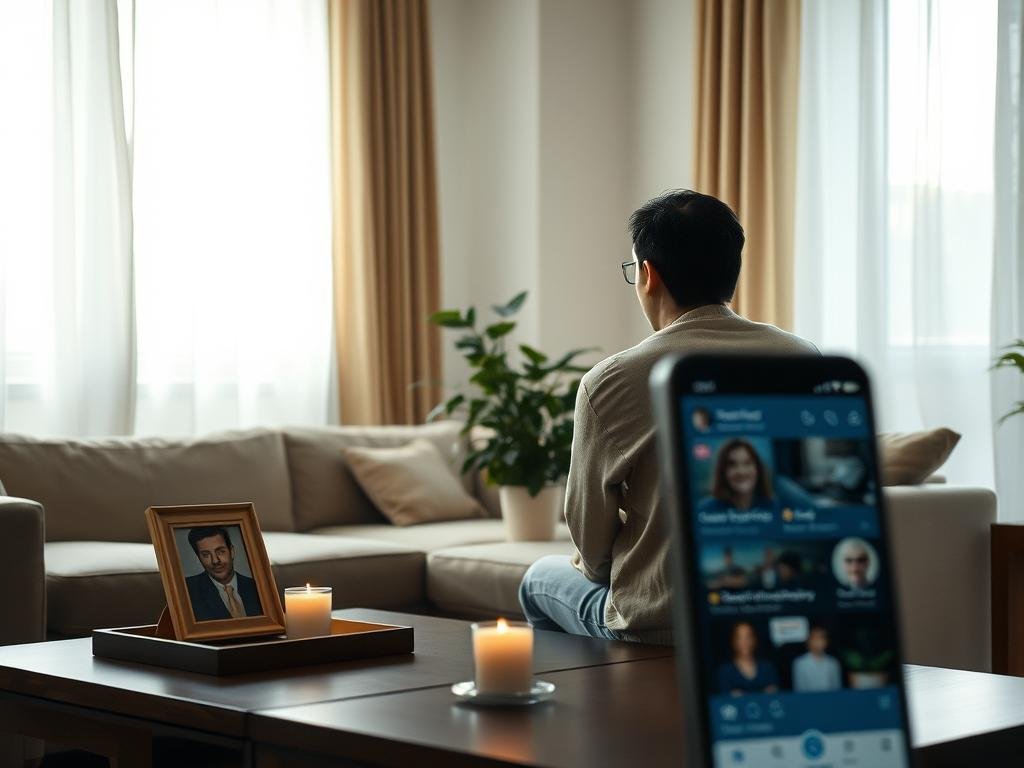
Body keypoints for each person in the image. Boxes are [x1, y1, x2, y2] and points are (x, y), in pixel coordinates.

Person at [518, 190, 818, 643]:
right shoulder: (805, 359)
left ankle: (602, 703)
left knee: (538, 578)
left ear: (647, 273)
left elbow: (591, 547)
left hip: (661, 625)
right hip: (780, 619)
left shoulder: (614, 380)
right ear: (731, 271)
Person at [184, 526, 263, 621]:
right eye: (206, 555)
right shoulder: (186, 591)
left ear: (232, 551)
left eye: (220, 552)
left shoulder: (258, 587)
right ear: (199, 558)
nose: (215, 561)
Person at [697, 439, 775, 513]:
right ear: (723, 472)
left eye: (747, 463)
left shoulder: (774, 508)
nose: (741, 471)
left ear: (758, 468)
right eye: (732, 465)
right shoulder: (704, 510)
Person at [717, 621, 779, 696]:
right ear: (733, 642)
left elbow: (775, 693)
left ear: (754, 640)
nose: (744, 642)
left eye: (748, 637)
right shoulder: (725, 671)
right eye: (740, 638)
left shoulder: (767, 667)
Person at [792, 626, 842, 692]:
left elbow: (837, 688)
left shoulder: (833, 662)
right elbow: (799, 689)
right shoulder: (800, 663)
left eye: (822, 638)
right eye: (815, 638)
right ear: (809, 641)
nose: (819, 641)